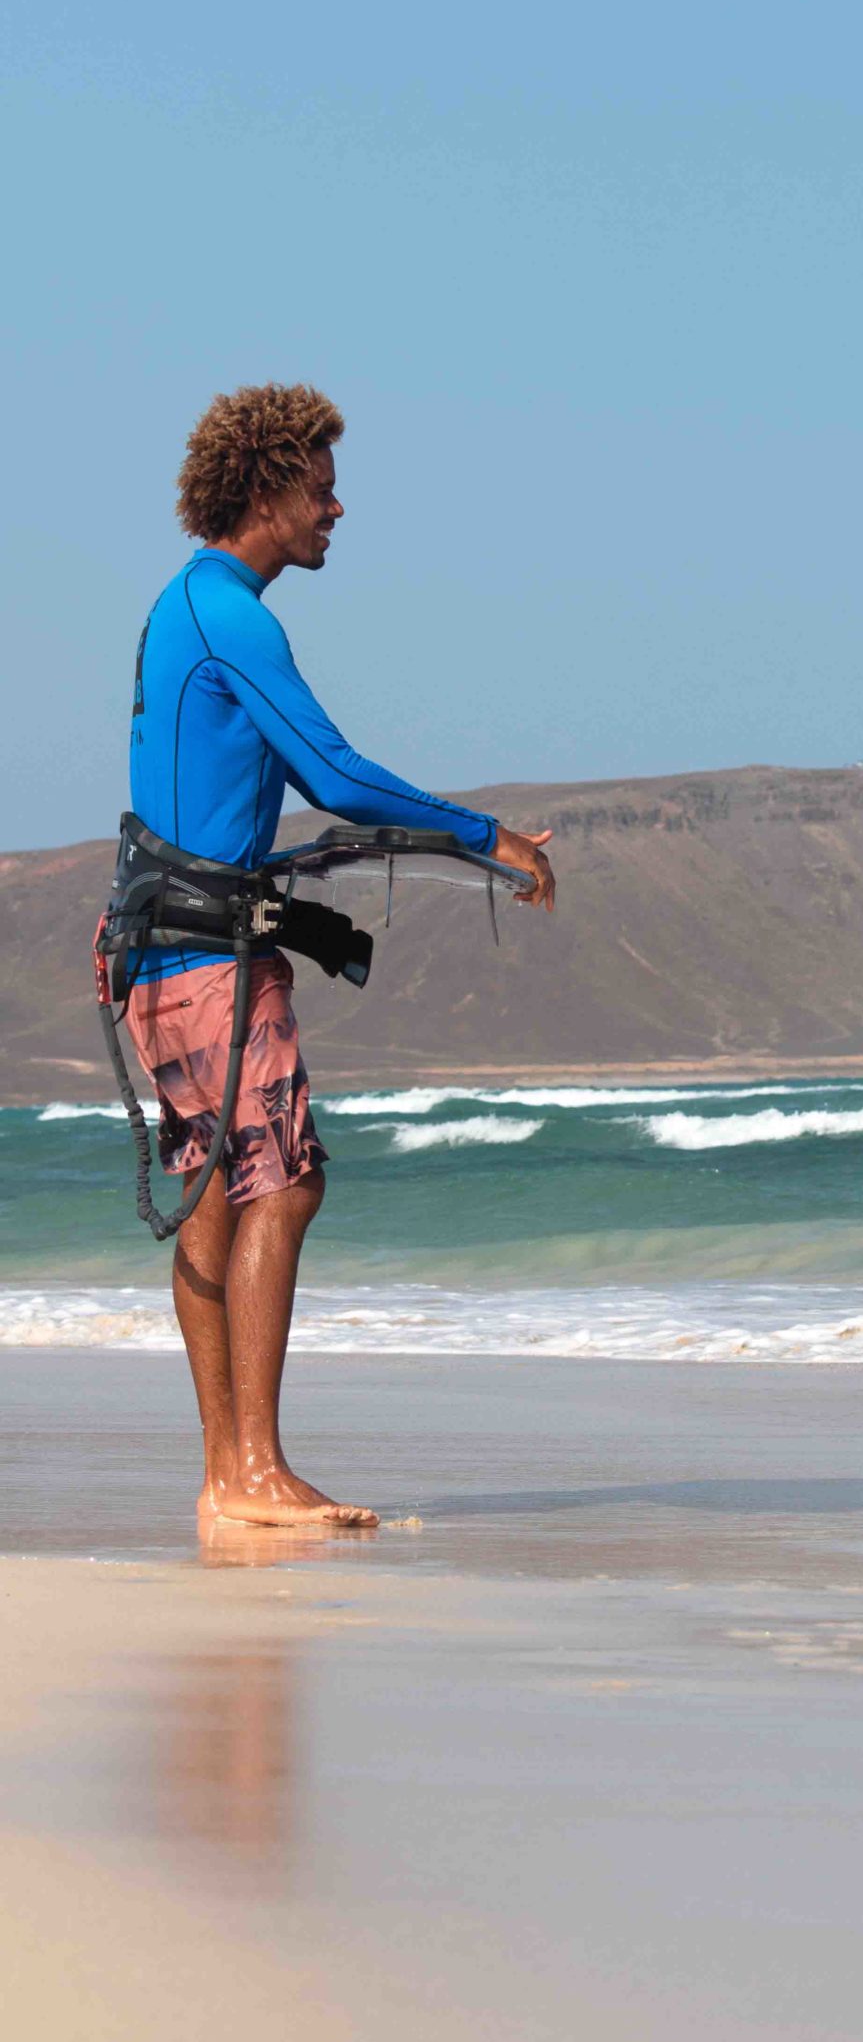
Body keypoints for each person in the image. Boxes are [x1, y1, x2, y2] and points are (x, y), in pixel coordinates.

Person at [120, 383, 555, 1530]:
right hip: (207, 957)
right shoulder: (230, 614)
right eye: (319, 488)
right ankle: (255, 1471)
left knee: (215, 1201)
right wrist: (483, 833)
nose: (337, 508)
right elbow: (337, 773)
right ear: (266, 489)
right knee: (286, 1184)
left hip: (160, 951)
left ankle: (228, 1478)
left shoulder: (185, 607)